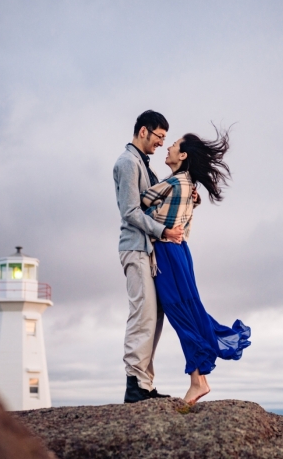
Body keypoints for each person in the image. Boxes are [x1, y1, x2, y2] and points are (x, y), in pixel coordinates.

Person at [140, 126, 251, 405]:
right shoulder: (189, 186)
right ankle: (200, 379)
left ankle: (197, 380)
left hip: (167, 253)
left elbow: (140, 206)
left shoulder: (175, 183)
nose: (168, 147)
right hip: (180, 253)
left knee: (182, 314)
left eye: (174, 145)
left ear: (183, 155)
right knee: (188, 310)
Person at [113, 110, 185, 403]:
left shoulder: (144, 164)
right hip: (135, 247)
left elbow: (157, 197)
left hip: (148, 249)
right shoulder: (128, 162)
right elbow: (130, 211)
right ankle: (135, 386)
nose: (160, 143)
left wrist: (189, 194)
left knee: (154, 316)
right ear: (144, 131)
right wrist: (164, 231)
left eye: (165, 139)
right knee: (142, 315)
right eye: (159, 137)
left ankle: (145, 384)